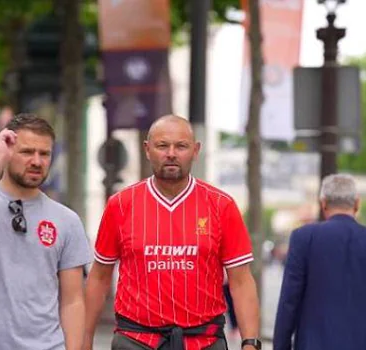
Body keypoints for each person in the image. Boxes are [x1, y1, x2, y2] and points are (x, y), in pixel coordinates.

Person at [84, 115, 261, 350]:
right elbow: (99, 276)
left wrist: (251, 343)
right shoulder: (121, 204)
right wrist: (82, 340)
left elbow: (241, 281)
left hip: (204, 341)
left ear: (195, 150)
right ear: (147, 149)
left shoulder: (221, 205)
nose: (171, 153)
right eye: (162, 145)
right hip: (136, 341)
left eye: (181, 146)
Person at [0, 114, 91, 350]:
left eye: (44, 154)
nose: (37, 161)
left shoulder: (67, 220)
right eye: (27, 152)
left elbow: (73, 300)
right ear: (6, 151)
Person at [273, 174, 366, 350]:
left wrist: (281, 346)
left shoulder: (304, 238)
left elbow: (290, 300)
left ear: (323, 203)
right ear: (357, 203)